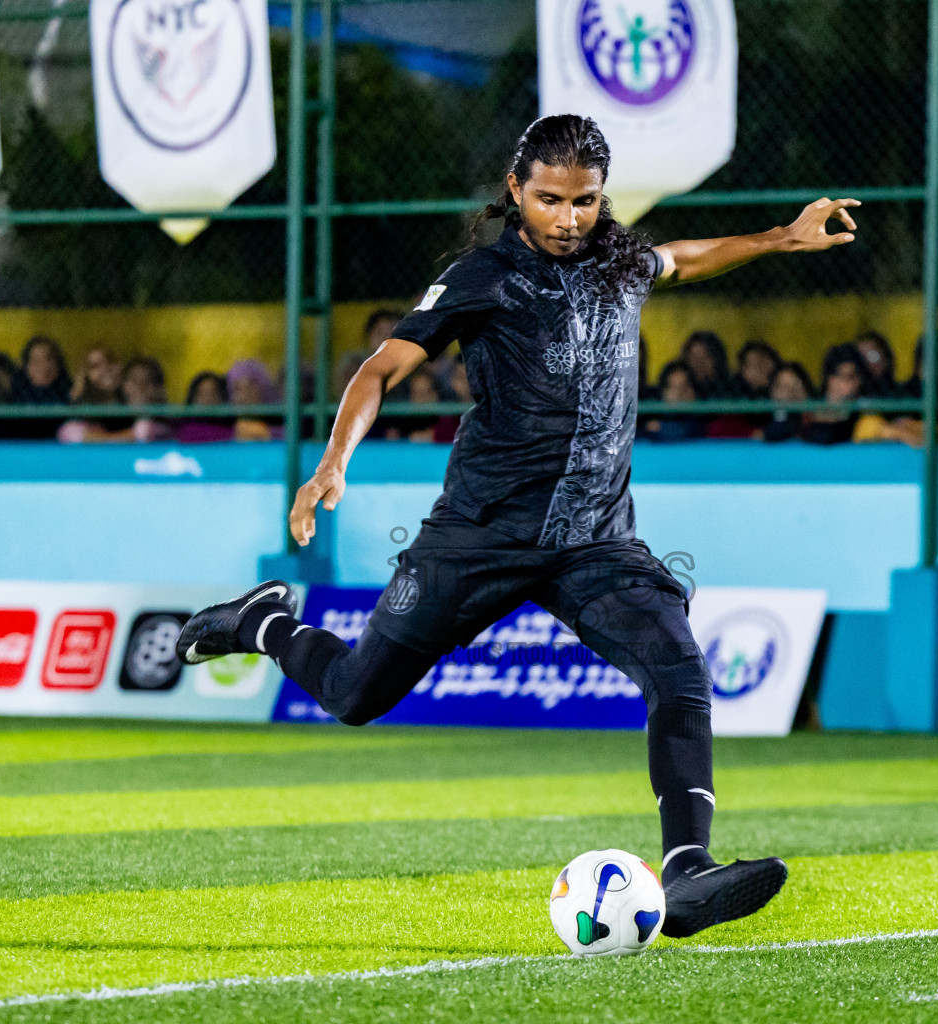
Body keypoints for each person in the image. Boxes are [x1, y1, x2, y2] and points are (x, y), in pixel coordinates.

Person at [177, 114, 862, 937]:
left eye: (584, 200)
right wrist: (333, 462)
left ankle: (686, 868)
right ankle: (264, 625)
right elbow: (382, 365)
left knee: (677, 667)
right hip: (480, 534)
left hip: (597, 542)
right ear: (515, 190)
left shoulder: (618, 261)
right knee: (357, 695)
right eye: (549, 200)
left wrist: (784, 238)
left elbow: (681, 258)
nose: (568, 218)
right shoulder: (483, 277)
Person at [639, 360, 702, 442]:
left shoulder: (705, 421)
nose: (680, 394)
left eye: (685, 387)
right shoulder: (650, 420)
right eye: (674, 388)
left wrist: (662, 429)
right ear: (663, 392)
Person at [759, 361, 815, 442]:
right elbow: (774, 434)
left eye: (793, 387)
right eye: (782, 387)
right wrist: (781, 410)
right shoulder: (760, 416)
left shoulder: (815, 418)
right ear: (771, 390)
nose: (787, 393)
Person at [679, 330, 738, 399]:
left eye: (705, 357)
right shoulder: (681, 394)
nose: (699, 363)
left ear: (717, 359)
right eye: (694, 357)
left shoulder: (733, 390)